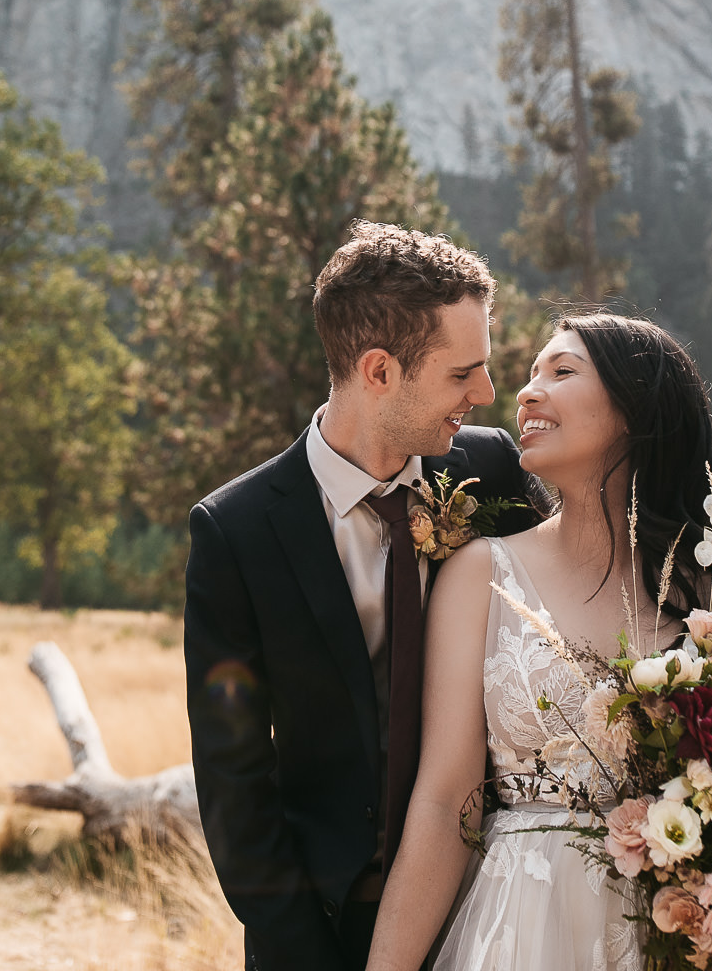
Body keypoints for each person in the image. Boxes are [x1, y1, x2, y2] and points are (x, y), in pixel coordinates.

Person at [365, 311, 712, 971]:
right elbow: (446, 800)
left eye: (562, 372)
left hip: (688, 930)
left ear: (636, 406)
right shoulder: (482, 574)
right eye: (531, 374)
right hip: (522, 927)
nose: (528, 391)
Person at [183, 222, 544, 971]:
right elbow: (234, 778)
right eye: (461, 374)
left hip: (499, 907)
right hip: (326, 926)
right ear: (378, 371)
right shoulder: (236, 532)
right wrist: (297, 948)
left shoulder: (494, 473)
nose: (485, 394)